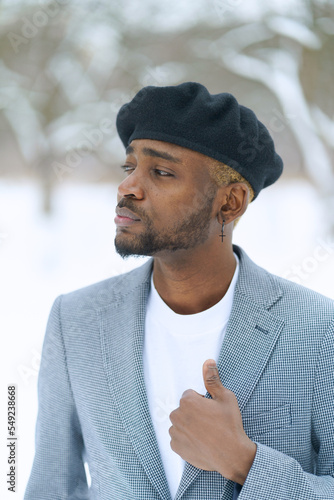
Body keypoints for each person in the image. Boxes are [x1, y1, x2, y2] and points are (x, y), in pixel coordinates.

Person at [24, 82, 334, 500]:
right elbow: (50, 486)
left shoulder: (318, 329)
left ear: (230, 203)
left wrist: (244, 462)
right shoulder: (75, 319)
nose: (128, 187)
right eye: (129, 167)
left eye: (162, 172)